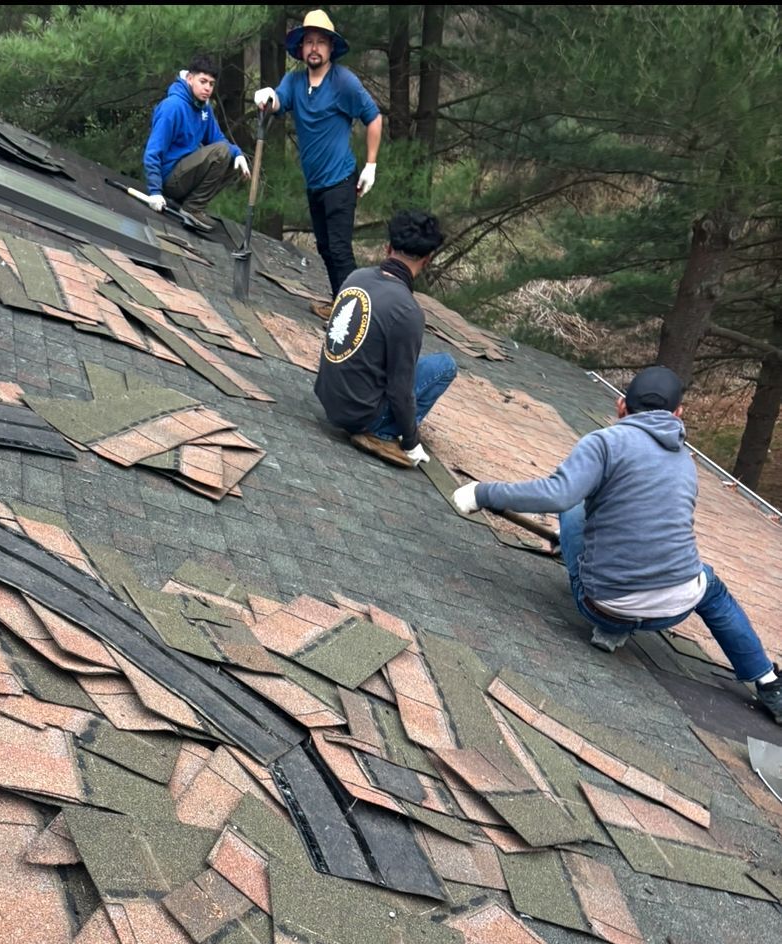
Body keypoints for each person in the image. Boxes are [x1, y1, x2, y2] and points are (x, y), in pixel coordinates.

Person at [453, 366, 782, 722]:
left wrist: (482, 492)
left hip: (603, 603)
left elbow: (559, 494)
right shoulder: (686, 462)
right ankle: (769, 684)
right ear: (678, 414)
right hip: (678, 605)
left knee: (576, 502)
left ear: (621, 404)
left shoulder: (605, 442)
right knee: (713, 589)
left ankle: (613, 628)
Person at [254, 9, 382, 316]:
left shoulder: (344, 82)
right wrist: (268, 96)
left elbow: (374, 117)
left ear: (330, 49)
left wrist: (371, 165)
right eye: (309, 42)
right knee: (325, 248)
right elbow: (278, 102)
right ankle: (342, 306)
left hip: (340, 180)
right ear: (301, 48)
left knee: (339, 249)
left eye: (321, 42)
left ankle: (356, 318)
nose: (314, 48)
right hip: (315, 184)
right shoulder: (295, 81)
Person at [314, 209, 454, 469]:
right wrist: (411, 443)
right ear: (427, 259)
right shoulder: (407, 311)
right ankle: (383, 433)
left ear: (387, 247)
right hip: (361, 416)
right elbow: (400, 391)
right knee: (444, 365)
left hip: (328, 398)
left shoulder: (356, 276)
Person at [143, 56, 249, 229]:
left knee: (232, 159)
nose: (207, 88)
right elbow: (153, 152)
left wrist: (237, 153)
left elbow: (217, 138)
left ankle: (192, 204)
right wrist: (155, 191)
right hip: (169, 179)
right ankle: (192, 209)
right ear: (190, 79)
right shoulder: (172, 107)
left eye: (211, 84)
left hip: (186, 176)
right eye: (203, 81)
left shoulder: (203, 108)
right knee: (222, 152)